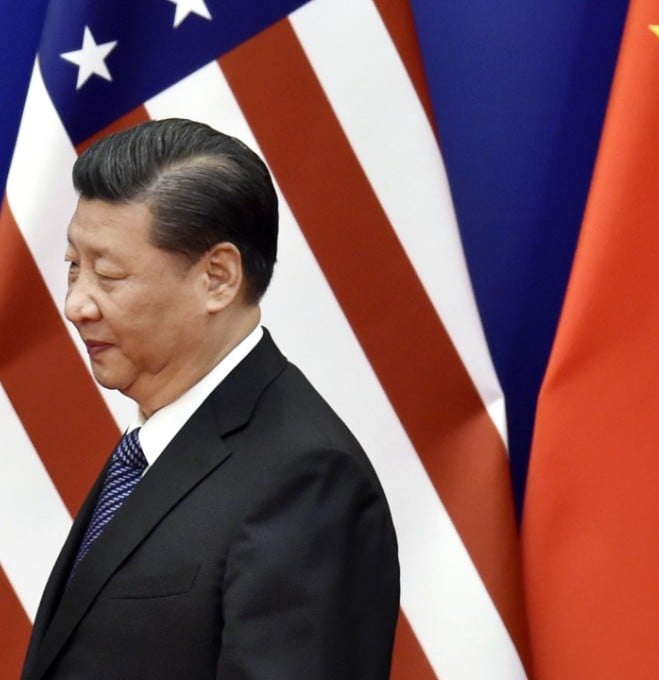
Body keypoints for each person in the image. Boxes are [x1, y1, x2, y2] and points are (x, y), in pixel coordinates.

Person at [21, 118, 400, 679]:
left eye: (109, 273)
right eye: (75, 266)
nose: (78, 303)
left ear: (218, 278)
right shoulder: (155, 444)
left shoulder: (307, 480)